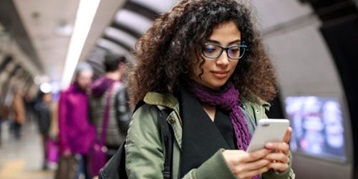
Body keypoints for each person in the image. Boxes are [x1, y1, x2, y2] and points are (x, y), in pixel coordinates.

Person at [125, 0, 295, 179]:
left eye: (234, 49)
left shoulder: (251, 110)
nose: (224, 61)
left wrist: (279, 170)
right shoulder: (155, 115)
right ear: (183, 50)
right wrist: (215, 173)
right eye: (210, 48)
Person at [88, 54, 131, 174]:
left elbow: (91, 118)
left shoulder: (94, 88)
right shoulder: (119, 88)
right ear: (120, 66)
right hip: (116, 145)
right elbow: (123, 121)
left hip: (99, 144)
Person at [58, 63, 96, 179]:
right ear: (77, 78)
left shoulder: (92, 95)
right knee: (75, 174)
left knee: (90, 174)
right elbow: (62, 121)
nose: (86, 81)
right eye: (83, 78)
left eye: (89, 78)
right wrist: (65, 145)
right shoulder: (67, 95)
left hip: (90, 144)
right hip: (74, 144)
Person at [34, 91, 53, 170]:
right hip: (44, 130)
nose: (49, 97)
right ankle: (45, 161)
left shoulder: (48, 106)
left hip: (47, 130)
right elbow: (40, 120)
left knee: (48, 147)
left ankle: (47, 161)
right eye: (47, 96)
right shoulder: (42, 107)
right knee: (45, 147)